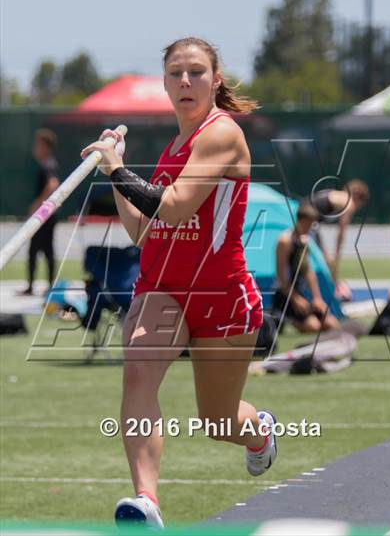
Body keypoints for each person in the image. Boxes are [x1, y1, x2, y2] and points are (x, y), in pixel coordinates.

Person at [80, 37, 277, 529]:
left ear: (215, 80)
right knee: (138, 370)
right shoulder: (172, 148)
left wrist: (117, 168)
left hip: (220, 293)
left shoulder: (221, 134)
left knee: (219, 421)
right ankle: (146, 501)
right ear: (165, 82)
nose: (185, 82)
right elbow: (144, 229)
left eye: (195, 72)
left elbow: (174, 206)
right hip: (163, 288)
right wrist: (116, 172)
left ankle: (259, 433)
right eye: (175, 74)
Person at [272, 202, 340, 333]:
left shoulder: (304, 241)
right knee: (314, 327)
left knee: (332, 324)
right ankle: (284, 316)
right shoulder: (284, 241)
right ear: (300, 221)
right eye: (309, 224)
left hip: (300, 293)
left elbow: (308, 271)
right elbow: (281, 278)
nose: (311, 228)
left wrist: (317, 298)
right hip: (285, 295)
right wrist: (295, 299)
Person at [19, 129, 59, 295]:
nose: (35, 148)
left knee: (43, 250)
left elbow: (53, 185)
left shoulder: (48, 164)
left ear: (45, 147)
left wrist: (37, 205)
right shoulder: (48, 163)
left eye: (38, 144)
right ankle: (41, 286)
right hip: (47, 215)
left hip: (45, 216)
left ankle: (44, 287)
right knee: (39, 250)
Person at [311, 179, 370, 282]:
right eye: (360, 204)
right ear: (357, 197)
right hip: (306, 221)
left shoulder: (337, 194)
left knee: (322, 257)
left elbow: (315, 225)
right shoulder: (349, 203)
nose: (357, 208)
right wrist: (336, 258)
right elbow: (341, 233)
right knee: (321, 260)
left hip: (303, 215)